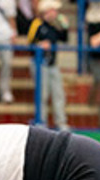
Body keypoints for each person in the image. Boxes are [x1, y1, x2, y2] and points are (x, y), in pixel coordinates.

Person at [28, 0, 69, 130]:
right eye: (54, 10)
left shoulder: (54, 26)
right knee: (42, 94)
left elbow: (64, 38)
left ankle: (61, 122)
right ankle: (41, 121)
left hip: (53, 64)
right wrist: (40, 45)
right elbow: (30, 44)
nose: (56, 13)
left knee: (58, 93)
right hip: (40, 65)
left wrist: (65, 26)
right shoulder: (37, 24)